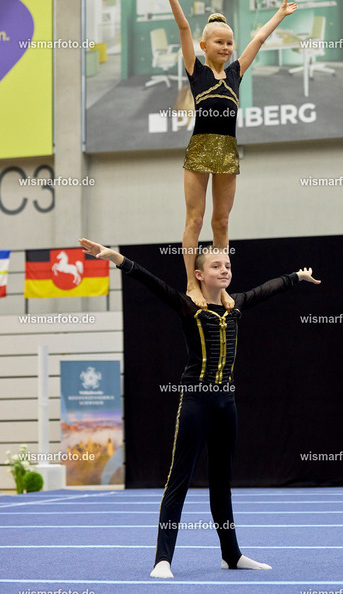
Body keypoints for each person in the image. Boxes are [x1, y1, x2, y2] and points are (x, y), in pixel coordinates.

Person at [78, 237, 320, 579]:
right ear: (199, 274)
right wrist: (115, 257)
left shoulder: (235, 305)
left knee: (222, 482)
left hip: (226, 404)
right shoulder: (188, 307)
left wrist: (297, 276)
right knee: (178, 480)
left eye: (228, 265)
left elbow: (268, 288)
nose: (224, 270)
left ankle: (231, 555)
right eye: (216, 266)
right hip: (196, 401)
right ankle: (162, 559)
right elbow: (151, 281)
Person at [147, 0, 298, 311]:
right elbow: (183, 28)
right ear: (204, 46)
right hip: (200, 149)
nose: (227, 47)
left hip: (227, 152)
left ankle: (221, 287)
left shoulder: (236, 73)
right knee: (195, 220)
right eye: (220, 42)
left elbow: (259, 39)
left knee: (222, 222)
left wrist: (279, 14)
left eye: (230, 43)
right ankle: (192, 283)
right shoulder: (196, 70)